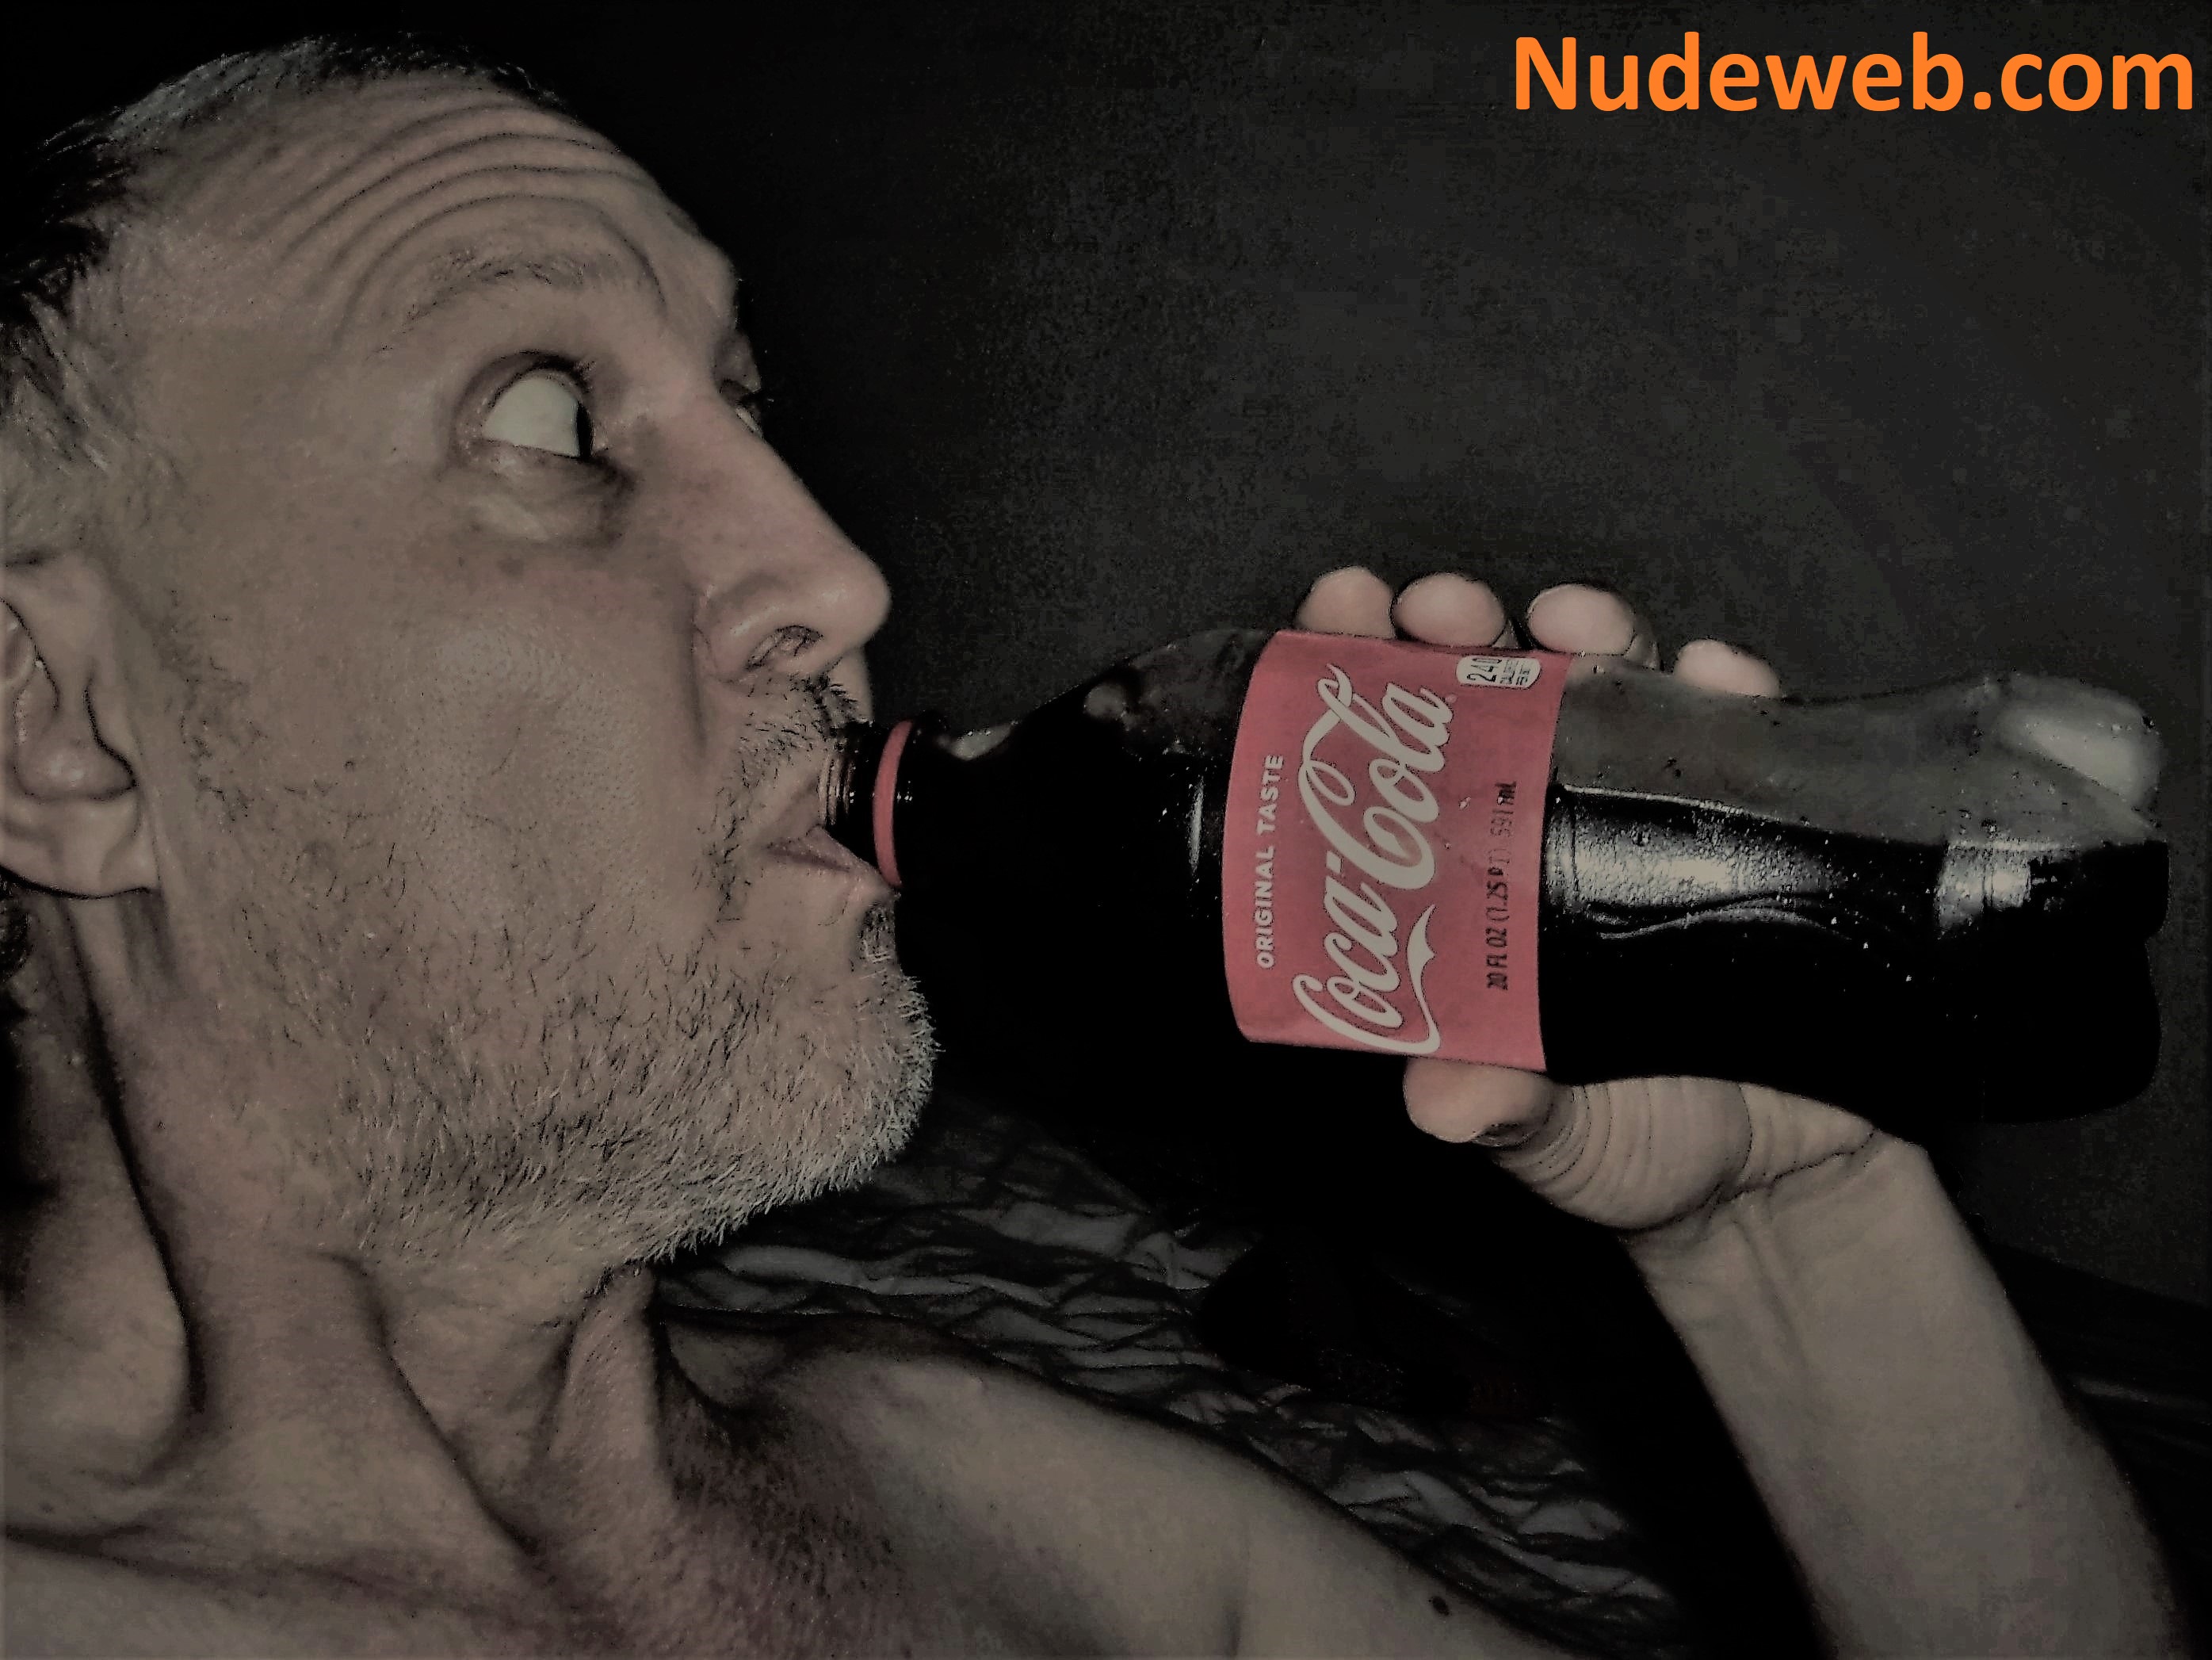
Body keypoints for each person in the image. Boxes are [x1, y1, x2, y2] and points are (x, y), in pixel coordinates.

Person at [0, 37, 2185, 1658]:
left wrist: (1789, 1226)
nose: (839, 574)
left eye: (741, 403)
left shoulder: (1021, 1523)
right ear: (59, 732)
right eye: (551, 423)